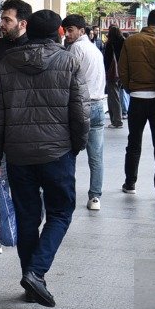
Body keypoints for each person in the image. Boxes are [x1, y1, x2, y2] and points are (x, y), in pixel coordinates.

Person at [0, 10, 88, 307]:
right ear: (58, 33)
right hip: (58, 152)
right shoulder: (69, 61)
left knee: (27, 218)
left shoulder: (6, 63)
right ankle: (36, 272)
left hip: (18, 154)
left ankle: (31, 282)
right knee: (60, 212)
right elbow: (80, 112)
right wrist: (76, 145)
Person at [120, 8, 155, 201]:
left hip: (137, 98)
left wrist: (130, 88)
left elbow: (123, 69)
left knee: (134, 142)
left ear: (148, 21)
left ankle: (130, 183)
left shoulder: (131, 41)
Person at [62, 14, 107, 211]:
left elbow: (67, 78)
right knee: (96, 156)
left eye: (70, 30)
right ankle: (95, 196)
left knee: (68, 152)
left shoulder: (76, 48)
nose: (67, 34)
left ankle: (66, 194)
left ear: (81, 30)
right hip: (98, 105)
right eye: (66, 30)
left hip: (81, 106)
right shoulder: (95, 50)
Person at [103, 24, 127, 127]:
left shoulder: (110, 44)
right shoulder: (124, 42)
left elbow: (106, 60)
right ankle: (115, 120)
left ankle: (117, 121)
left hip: (112, 73)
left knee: (113, 96)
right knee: (116, 95)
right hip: (121, 72)